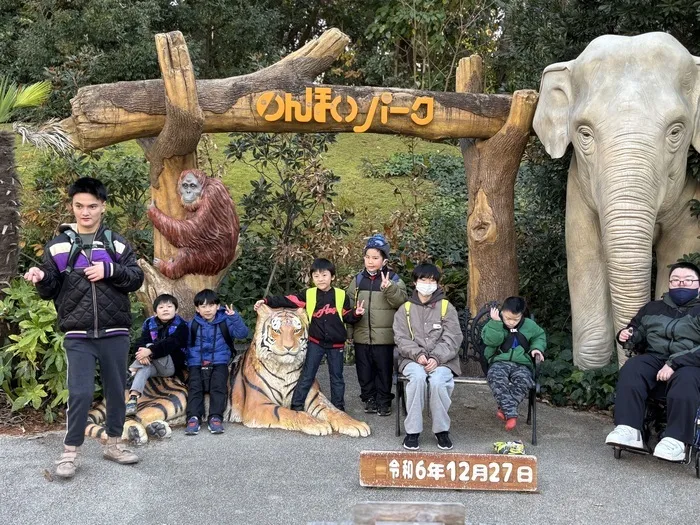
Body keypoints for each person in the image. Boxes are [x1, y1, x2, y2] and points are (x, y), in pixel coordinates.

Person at [23, 177, 145, 479]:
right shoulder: (57, 247)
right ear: (72, 206)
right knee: (79, 393)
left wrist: (110, 269)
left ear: (102, 206)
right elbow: (51, 289)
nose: (85, 212)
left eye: (92, 206)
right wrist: (41, 277)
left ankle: (113, 444)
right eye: (79, 206)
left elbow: (135, 277)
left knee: (117, 391)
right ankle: (69, 452)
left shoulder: (116, 243)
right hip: (77, 333)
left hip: (115, 330)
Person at [605, 262, 700, 461]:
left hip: (691, 363)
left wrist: (675, 363)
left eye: (687, 280)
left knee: (686, 379)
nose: (681, 283)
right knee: (633, 368)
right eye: (676, 280)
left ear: (698, 284)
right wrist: (627, 335)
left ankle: (676, 440)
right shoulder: (653, 308)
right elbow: (637, 330)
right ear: (669, 283)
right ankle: (629, 429)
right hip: (656, 358)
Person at [254, 258, 365, 412]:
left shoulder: (341, 295)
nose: (320, 279)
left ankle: (338, 407)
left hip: (336, 344)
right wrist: (266, 300)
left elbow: (346, 316)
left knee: (337, 377)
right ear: (312, 278)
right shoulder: (309, 294)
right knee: (307, 374)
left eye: (324, 275)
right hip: (316, 342)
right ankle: (297, 405)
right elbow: (288, 300)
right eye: (316, 276)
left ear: (332, 277)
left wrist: (356, 314)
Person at [393, 262, 463, 451]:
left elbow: (453, 337)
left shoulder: (446, 307)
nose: (428, 284)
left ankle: (441, 430)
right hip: (412, 359)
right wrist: (419, 355)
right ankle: (413, 431)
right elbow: (401, 338)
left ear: (437, 284)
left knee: (439, 381)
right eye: (423, 279)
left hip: (444, 360)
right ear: (415, 282)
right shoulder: (404, 309)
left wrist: (436, 358)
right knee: (417, 378)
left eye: (432, 280)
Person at [346, 234, 407, 416]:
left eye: (375, 258)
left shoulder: (394, 279)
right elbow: (348, 309)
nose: (370, 262)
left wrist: (389, 289)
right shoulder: (357, 281)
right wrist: (349, 333)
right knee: (364, 371)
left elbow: (402, 303)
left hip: (385, 338)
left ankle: (384, 401)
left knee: (384, 371)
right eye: (367, 257)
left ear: (384, 260)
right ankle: (369, 399)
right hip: (361, 336)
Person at [185, 289, 248, 435]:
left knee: (218, 386)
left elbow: (243, 334)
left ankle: (215, 417)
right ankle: (193, 417)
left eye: (211, 305)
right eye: (203, 306)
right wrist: (190, 361)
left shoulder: (225, 321)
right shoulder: (192, 324)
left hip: (220, 360)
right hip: (196, 362)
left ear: (217, 306)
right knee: (195, 387)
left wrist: (234, 318)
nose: (207, 309)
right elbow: (187, 344)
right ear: (197, 308)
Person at [482, 296, 546, 431]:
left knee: (524, 381)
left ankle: (504, 409)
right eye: (507, 318)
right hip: (499, 361)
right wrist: (496, 323)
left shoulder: (529, 325)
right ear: (502, 312)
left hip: (522, 363)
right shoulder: (495, 322)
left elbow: (539, 336)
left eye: (515, 319)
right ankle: (511, 414)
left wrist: (537, 348)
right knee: (496, 378)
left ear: (522, 315)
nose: (511, 322)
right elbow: (491, 341)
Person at [126, 294, 188, 416]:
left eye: (169, 306)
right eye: (161, 307)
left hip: (171, 367)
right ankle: (133, 399)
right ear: (155, 312)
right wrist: (144, 354)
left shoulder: (182, 326)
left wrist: (149, 352)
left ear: (176, 310)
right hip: (154, 365)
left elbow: (170, 344)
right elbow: (140, 342)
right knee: (144, 367)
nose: (165, 309)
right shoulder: (150, 324)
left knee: (151, 346)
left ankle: (130, 370)